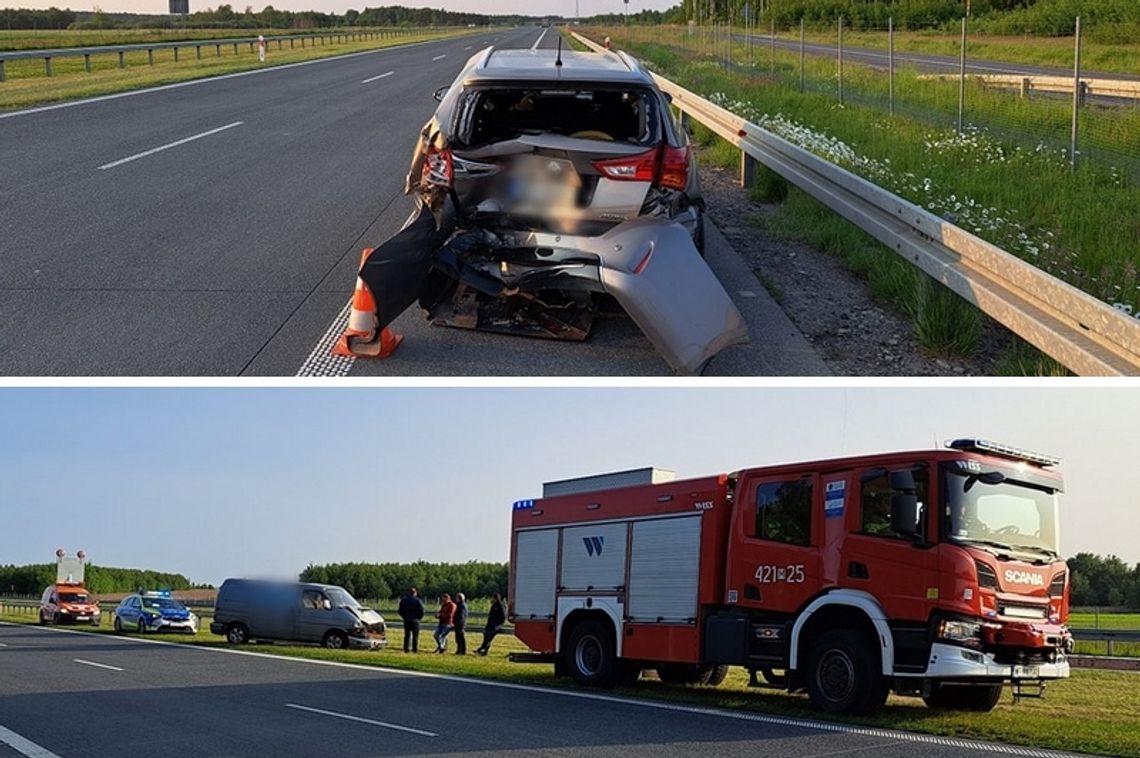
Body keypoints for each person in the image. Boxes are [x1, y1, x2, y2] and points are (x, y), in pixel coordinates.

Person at [398, 587, 424, 653]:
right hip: (415, 620)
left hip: (406, 620)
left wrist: (404, 617)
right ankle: (414, 649)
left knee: (407, 635)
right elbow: (421, 611)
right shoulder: (418, 601)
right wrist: (418, 618)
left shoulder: (403, 600)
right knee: (415, 636)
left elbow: (400, 611)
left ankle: (406, 648)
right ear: (415, 593)